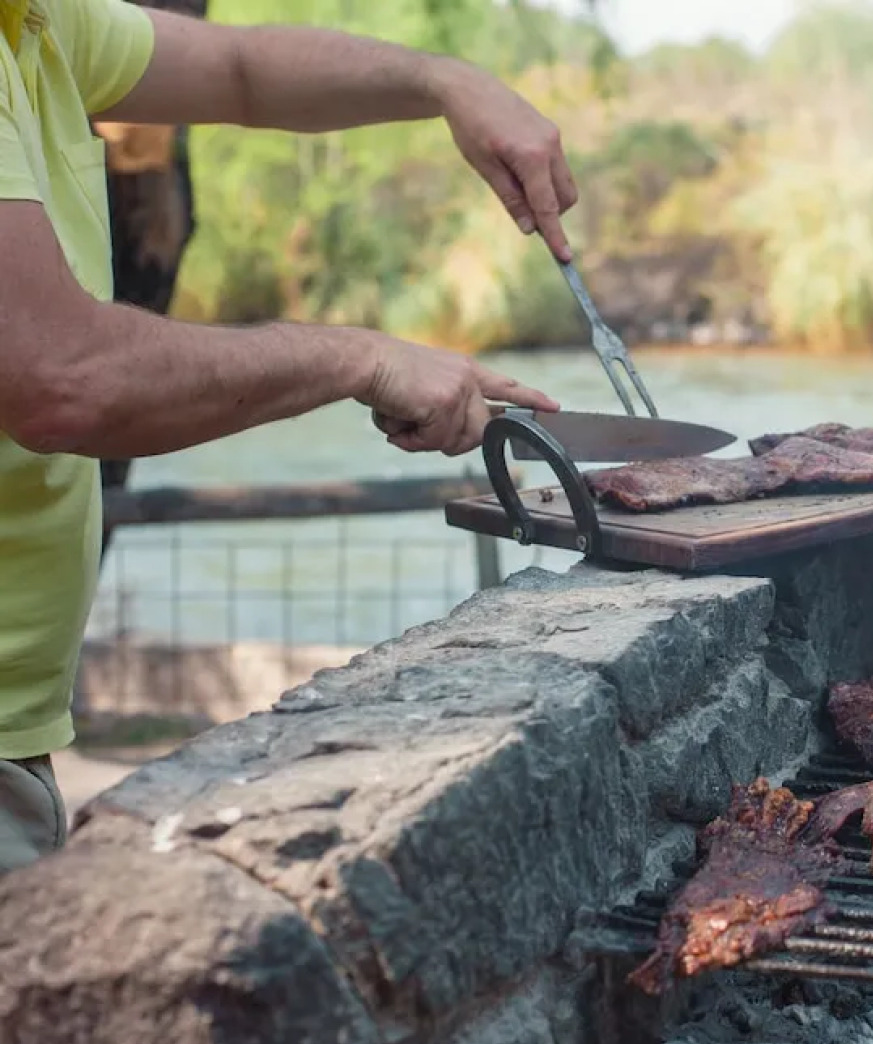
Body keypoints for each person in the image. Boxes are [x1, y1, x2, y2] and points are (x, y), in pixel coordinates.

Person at [0, 0, 577, 873]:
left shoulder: (40, 21)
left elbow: (242, 69)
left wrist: (444, 80)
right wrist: (359, 359)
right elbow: (64, 377)